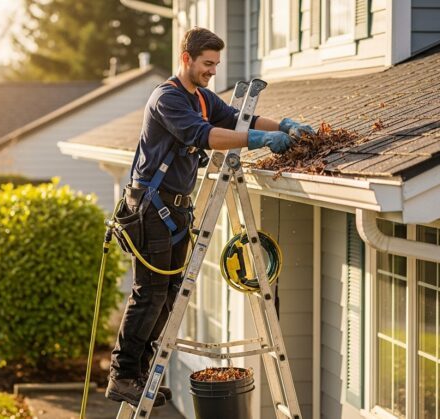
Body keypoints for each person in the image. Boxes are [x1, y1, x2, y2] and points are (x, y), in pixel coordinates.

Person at [105, 27, 314, 407]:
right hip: (151, 208)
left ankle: (143, 371)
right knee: (149, 293)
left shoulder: (201, 98)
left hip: (175, 209)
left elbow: (238, 118)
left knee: (168, 295)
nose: (212, 71)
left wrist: (282, 126)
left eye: (216, 65)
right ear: (186, 58)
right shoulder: (167, 99)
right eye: (206, 64)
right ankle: (122, 375)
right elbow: (206, 136)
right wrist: (259, 143)